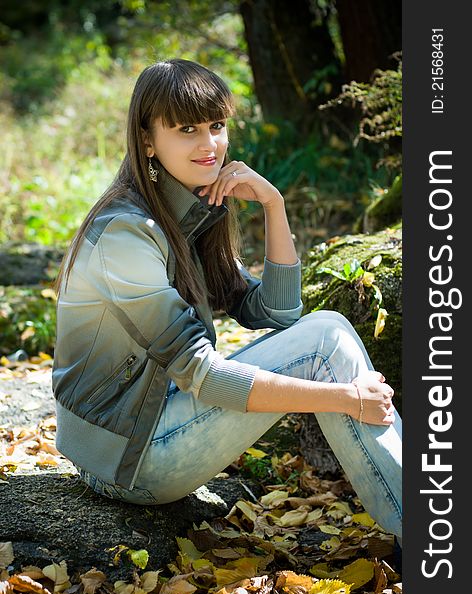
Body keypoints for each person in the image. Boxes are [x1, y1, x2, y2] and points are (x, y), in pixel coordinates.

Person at [52, 58, 402, 541]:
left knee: (328, 328)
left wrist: (273, 204)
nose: (209, 144)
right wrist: (344, 398)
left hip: (156, 420)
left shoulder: (191, 209)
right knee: (324, 341)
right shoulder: (125, 235)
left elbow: (276, 313)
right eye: (187, 129)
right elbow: (201, 373)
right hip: (124, 458)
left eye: (217, 126)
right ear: (148, 140)